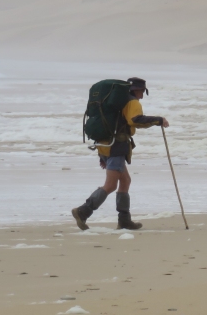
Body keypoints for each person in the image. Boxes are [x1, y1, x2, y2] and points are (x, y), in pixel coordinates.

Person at [72, 77, 168, 230]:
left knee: (125, 181)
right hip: (116, 146)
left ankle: (124, 220)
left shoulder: (114, 103)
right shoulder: (132, 102)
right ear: (136, 90)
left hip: (105, 145)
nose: (142, 95)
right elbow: (135, 120)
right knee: (110, 186)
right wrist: (158, 120)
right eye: (142, 91)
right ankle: (83, 211)